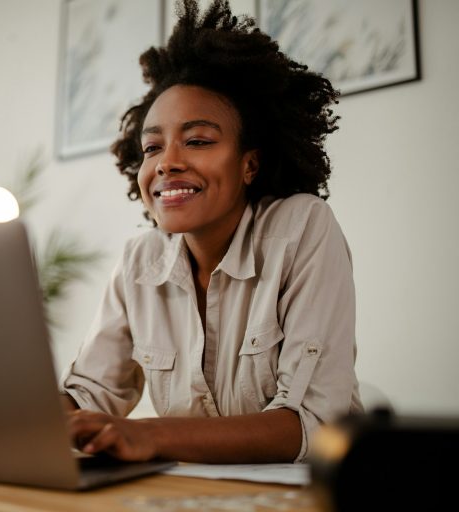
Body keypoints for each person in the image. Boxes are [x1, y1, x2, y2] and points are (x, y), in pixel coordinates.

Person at [61, 0, 363, 464]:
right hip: (195, 493)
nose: (168, 162)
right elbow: (92, 393)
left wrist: (151, 435)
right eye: (152, 147)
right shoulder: (140, 260)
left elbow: (310, 423)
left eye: (198, 140)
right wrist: (17, 418)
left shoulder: (301, 227)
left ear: (249, 164)